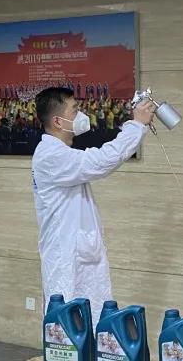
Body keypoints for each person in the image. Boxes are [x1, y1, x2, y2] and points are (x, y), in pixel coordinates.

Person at [31, 87, 155, 323]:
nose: (81, 115)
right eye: (75, 110)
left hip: (79, 253)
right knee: (70, 325)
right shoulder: (51, 156)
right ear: (58, 121)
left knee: (90, 321)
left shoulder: (60, 153)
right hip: (66, 258)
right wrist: (136, 125)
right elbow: (101, 161)